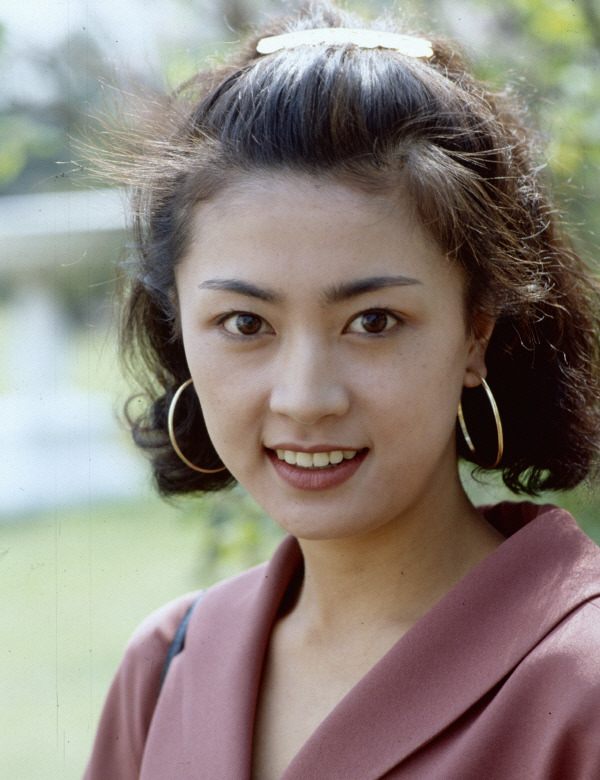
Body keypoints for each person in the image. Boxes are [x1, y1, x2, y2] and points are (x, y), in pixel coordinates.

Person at [83, 2, 600, 778]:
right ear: (178, 328)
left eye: (374, 321)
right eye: (245, 324)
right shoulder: (164, 671)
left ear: (475, 333)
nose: (304, 398)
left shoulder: (580, 685)